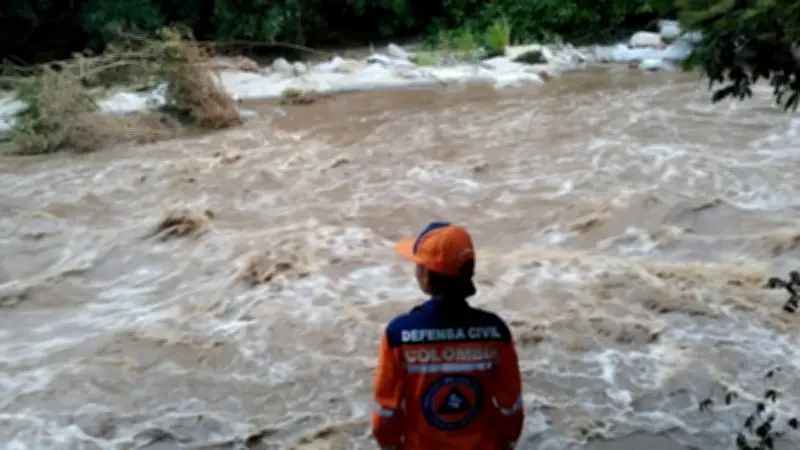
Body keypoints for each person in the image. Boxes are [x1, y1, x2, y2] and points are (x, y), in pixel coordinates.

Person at [371, 221, 525, 450]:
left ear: (424, 275)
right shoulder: (495, 332)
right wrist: (508, 443)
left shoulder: (398, 336)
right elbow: (510, 407)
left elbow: (385, 413)